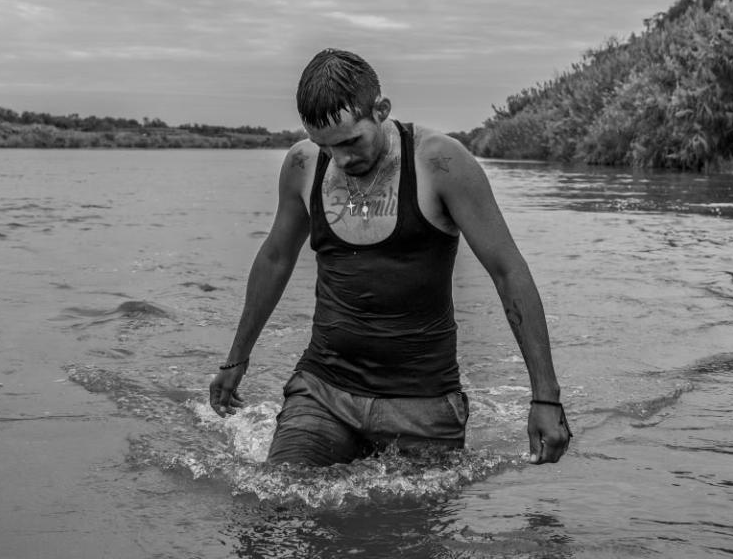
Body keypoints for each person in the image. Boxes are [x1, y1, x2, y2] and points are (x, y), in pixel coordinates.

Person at [208, 48, 571, 466]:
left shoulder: (441, 163)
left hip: (423, 405)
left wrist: (545, 396)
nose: (341, 159)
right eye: (326, 147)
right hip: (323, 391)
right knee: (276, 505)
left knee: (413, 530)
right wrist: (237, 358)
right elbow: (275, 258)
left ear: (381, 110)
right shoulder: (302, 165)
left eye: (350, 141)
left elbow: (508, 272)